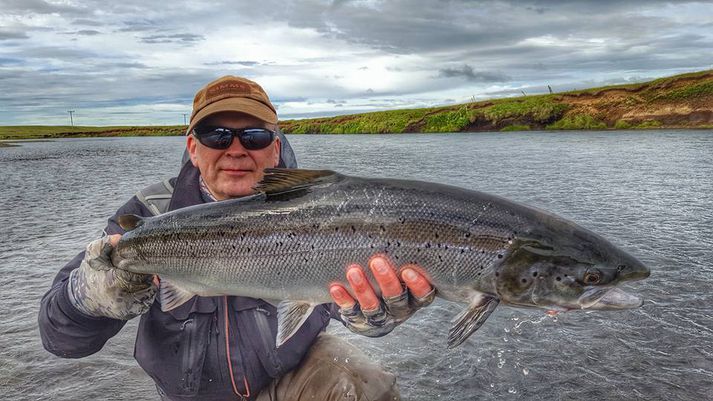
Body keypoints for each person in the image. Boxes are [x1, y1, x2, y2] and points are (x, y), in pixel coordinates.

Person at [38, 76, 435, 401]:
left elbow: (345, 310)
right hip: (186, 395)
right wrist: (94, 293)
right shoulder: (150, 214)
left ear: (275, 149)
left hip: (293, 379)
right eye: (216, 135)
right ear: (193, 148)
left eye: (256, 137)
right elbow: (61, 340)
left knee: (368, 386)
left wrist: (374, 317)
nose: (236, 149)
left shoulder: (325, 210)